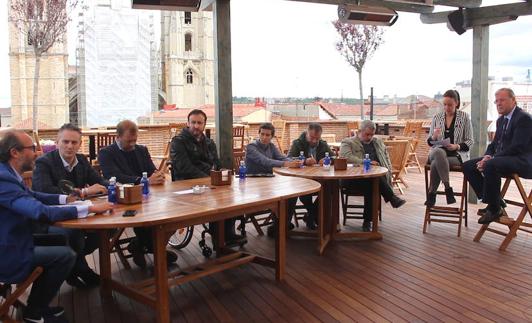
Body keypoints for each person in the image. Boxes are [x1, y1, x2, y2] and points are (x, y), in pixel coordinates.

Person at [0, 130, 112, 323]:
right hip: (8, 251)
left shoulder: (8, 173)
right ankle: (34, 313)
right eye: (32, 148)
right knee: (64, 255)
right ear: (15, 152)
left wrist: (66, 199)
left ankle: (39, 304)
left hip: (16, 239)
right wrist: (88, 207)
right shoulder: (3, 179)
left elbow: (33, 195)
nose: (36, 153)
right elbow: (40, 212)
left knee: (64, 241)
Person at [32, 123, 108, 288]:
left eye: (74, 143)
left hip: (82, 213)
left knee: (109, 227)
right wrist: (83, 192)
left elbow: (99, 182)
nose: (69, 146)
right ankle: (80, 267)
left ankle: (73, 264)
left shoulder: (81, 160)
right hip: (52, 217)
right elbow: (44, 191)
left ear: (80, 144)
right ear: (57, 142)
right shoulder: (44, 162)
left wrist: (120, 186)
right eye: (65, 141)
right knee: (74, 234)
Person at [98, 120, 175, 268]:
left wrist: (158, 175)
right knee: (145, 217)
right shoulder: (106, 153)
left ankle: (139, 245)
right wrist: (142, 180)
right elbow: (112, 175)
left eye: (135, 140)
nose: (133, 144)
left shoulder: (141, 150)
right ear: (118, 137)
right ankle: (154, 249)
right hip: (123, 198)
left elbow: (151, 169)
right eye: (129, 141)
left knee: (172, 216)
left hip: (149, 196)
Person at [170, 109, 244, 245]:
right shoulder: (178, 142)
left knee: (231, 194)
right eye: (193, 122)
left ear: (204, 125)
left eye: (199, 123)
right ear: (187, 123)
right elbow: (184, 168)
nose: (196, 126)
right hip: (187, 185)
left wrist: (221, 174)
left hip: (210, 184)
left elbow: (217, 164)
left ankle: (226, 233)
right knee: (217, 198)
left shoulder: (209, 143)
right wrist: (210, 179)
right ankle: (220, 236)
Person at [463, 88, 532, 224]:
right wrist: (487, 156)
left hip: (524, 161)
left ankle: (494, 208)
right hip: (505, 159)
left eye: (502, 100)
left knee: (491, 165)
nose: (498, 104)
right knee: (468, 166)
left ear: (513, 100)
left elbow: (517, 147)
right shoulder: (501, 120)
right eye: (496, 101)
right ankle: (494, 201)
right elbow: (493, 145)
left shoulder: (524, 118)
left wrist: (492, 159)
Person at [339, 120, 406, 231]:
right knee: (372, 181)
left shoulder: (378, 142)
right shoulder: (348, 142)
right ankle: (391, 198)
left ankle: (368, 221)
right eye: (367, 134)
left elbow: (386, 159)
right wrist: (366, 162)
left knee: (372, 182)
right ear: (359, 131)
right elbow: (346, 157)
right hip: (354, 179)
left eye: (372, 134)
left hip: (375, 179)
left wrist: (389, 172)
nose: (369, 137)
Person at [425, 90, 474, 207]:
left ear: (457, 103)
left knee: (436, 163)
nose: (447, 107)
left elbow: (470, 141)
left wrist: (456, 146)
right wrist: (434, 136)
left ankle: (432, 194)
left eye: (450, 105)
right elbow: (430, 142)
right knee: (437, 151)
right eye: (445, 104)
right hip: (437, 151)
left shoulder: (464, 117)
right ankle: (447, 188)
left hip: (455, 155)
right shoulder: (437, 117)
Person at [287, 123, 334, 230]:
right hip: (301, 179)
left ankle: (311, 216)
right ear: (306, 133)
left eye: (317, 139)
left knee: (330, 189)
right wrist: (304, 161)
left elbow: (334, 157)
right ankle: (314, 216)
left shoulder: (323, 144)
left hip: (319, 178)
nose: (314, 141)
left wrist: (329, 160)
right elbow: (288, 159)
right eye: (312, 138)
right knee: (305, 193)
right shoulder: (297, 143)